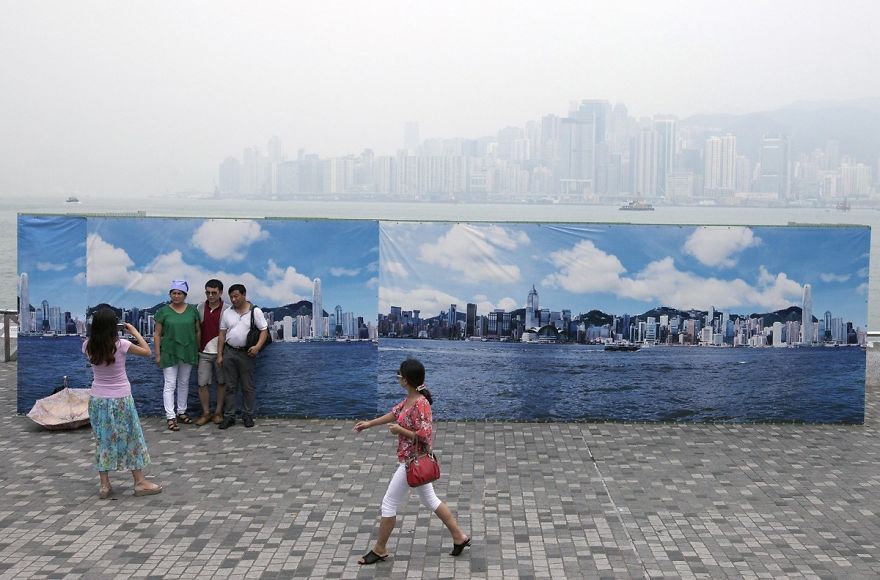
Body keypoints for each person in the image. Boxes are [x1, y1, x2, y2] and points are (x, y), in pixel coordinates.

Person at [353, 358, 470, 565]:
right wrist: (369, 424)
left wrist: (400, 431)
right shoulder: (410, 399)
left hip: (412, 461)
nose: (397, 377)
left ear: (406, 380)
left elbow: (424, 434)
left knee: (388, 503)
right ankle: (459, 537)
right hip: (411, 460)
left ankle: (379, 549)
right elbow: (394, 414)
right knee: (430, 500)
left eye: (399, 374)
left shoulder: (421, 404)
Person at [83, 308, 163, 498]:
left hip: (97, 399)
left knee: (103, 440)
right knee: (131, 438)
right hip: (121, 399)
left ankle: (104, 485)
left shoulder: (87, 345)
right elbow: (147, 351)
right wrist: (134, 331)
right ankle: (139, 481)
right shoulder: (121, 344)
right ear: (114, 326)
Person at [216, 283, 267, 429]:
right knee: (230, 387)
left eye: (236, 296)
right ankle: (229, 416)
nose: (233, 299)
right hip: (229, 351)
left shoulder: (255, 312)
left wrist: (257, 347)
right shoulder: (227, 313)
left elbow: (264, 330)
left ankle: (247, 415)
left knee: (247, 386)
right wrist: (220, 355)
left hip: (247, 353)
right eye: (231, 297)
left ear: (244, 295)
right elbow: (222, 334)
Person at [154, 280, 200, 431]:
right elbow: (157, 334)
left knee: (184, 382)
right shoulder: (163, 311)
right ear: (170, 294)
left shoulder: (193, 311)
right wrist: (158, 354)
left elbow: (198, 331)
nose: (176, 295)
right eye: (173, 293)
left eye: (179, 293)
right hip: (169, 351)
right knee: (170, 384)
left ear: (185, 295)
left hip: (188, 351)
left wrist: (197, 349)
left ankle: (181, 411)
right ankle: (170, 416)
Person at [195, 279, 229, 426]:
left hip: (221, 352)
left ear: (220, 292)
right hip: (203, 353)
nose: (210, 295)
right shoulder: (199, 308)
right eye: (208, 292)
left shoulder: (227, 309)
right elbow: (196, 329)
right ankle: (206, 413)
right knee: (202, 383)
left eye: (214, 293)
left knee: (221, 382)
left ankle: (218, 412)